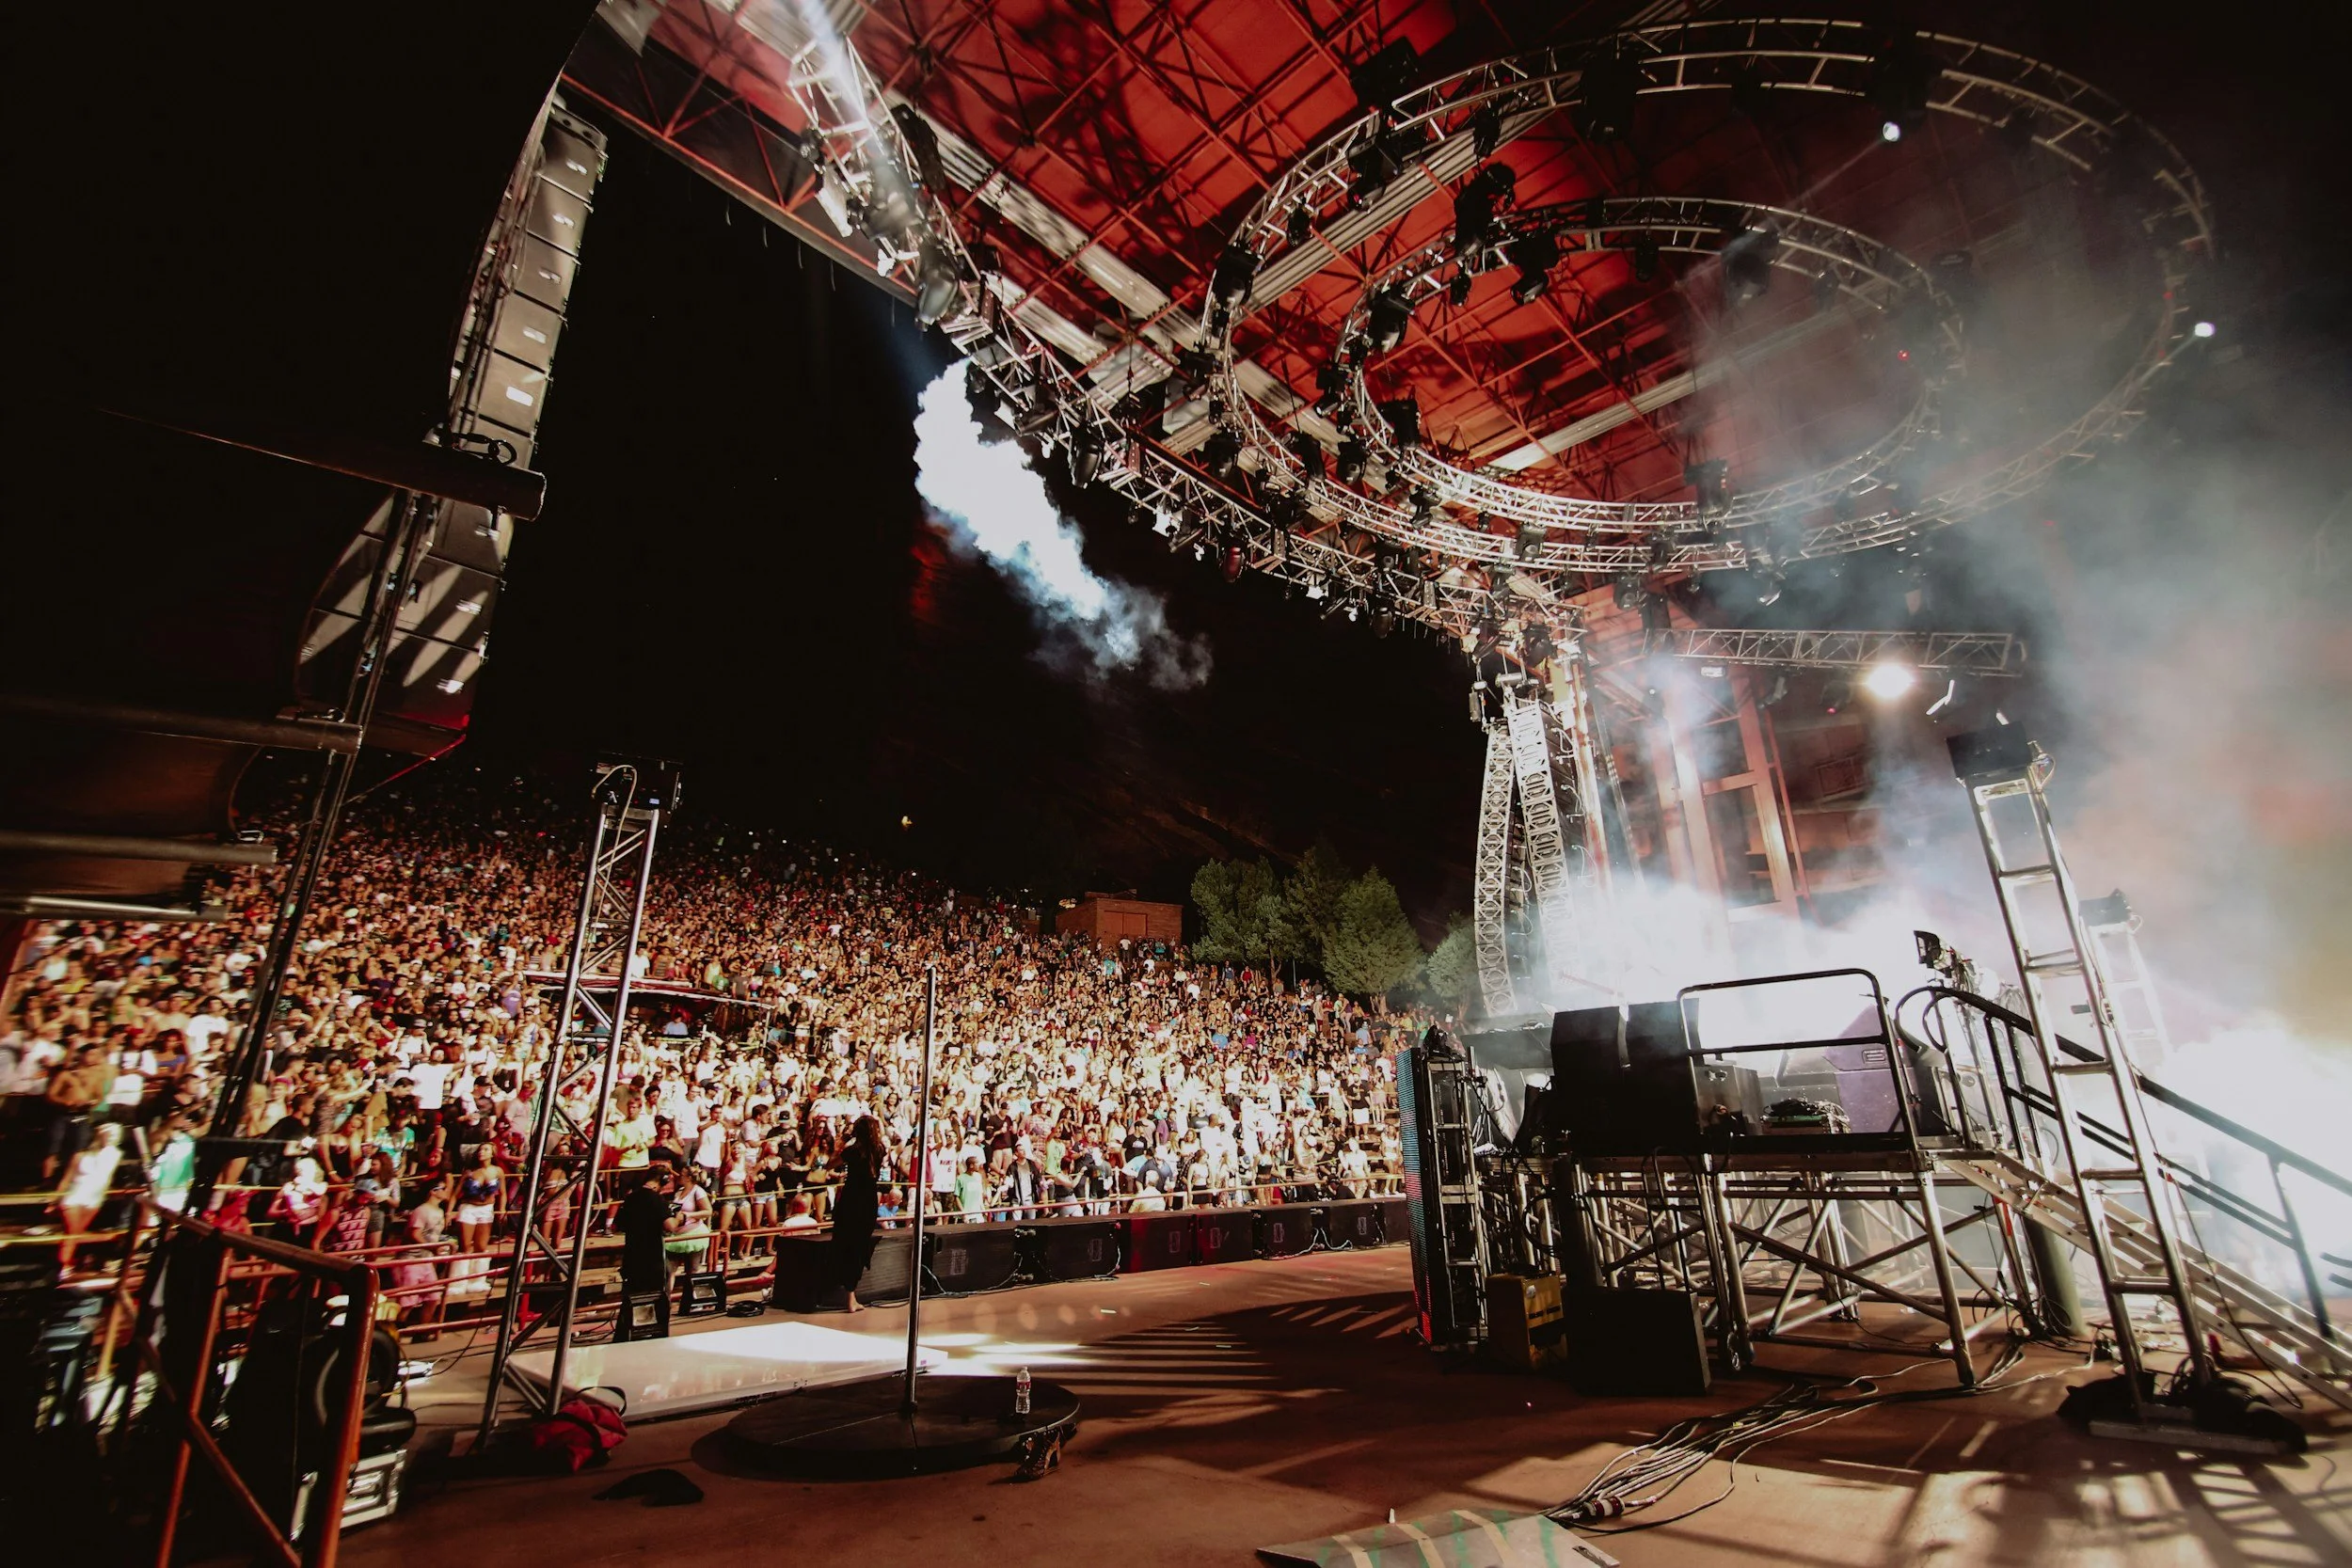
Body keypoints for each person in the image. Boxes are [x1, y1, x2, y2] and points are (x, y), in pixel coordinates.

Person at [617, 1164, 678, 1337]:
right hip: (652, 1257)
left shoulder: (631, 1197)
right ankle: (655, 1332)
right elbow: (670, 1226)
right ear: (663, 1180)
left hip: (631, 1255)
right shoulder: (657, 1200)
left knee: (631, 1296)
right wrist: (679, 1218)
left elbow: (619, 1224)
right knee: (655, 1295)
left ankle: (625, 1332)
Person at [831, 1115, 882, 1311]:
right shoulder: (879, 1150)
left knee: (846, 1242)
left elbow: (830, 1164)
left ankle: (849, 1293)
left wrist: (842, 1142)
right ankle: (852, 1292)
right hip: (869, 1200)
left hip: (852, 1198)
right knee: (860, 1244)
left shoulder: (853, 1150)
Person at [56, 1122, 125, 1269]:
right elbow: (66, 1179)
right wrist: (53, 1200)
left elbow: (108, 1178)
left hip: (93, 1198)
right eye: (108, 1135)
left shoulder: (115, 1155)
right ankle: (63, 1265)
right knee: (72, 1232)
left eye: (114, 1135)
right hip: (73, 1196)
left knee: (77, 1232)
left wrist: (101, 1198)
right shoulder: (80, 1156)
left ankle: (65, 1263)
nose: (111, 1138)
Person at [454, 1143, 502, 1257]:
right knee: (465, 1247)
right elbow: (455, 1194)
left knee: (481, 1247)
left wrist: (502, 1209)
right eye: (480, 1150)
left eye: (486, 1150)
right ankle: (462, 1267)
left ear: (492, 1154)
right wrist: (449, 1212)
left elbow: (503, 1193)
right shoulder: (469, 1171)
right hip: (468, 1208)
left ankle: (480, 1268)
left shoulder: (498, 1171)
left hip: (487, 1209)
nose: (481, 1152)